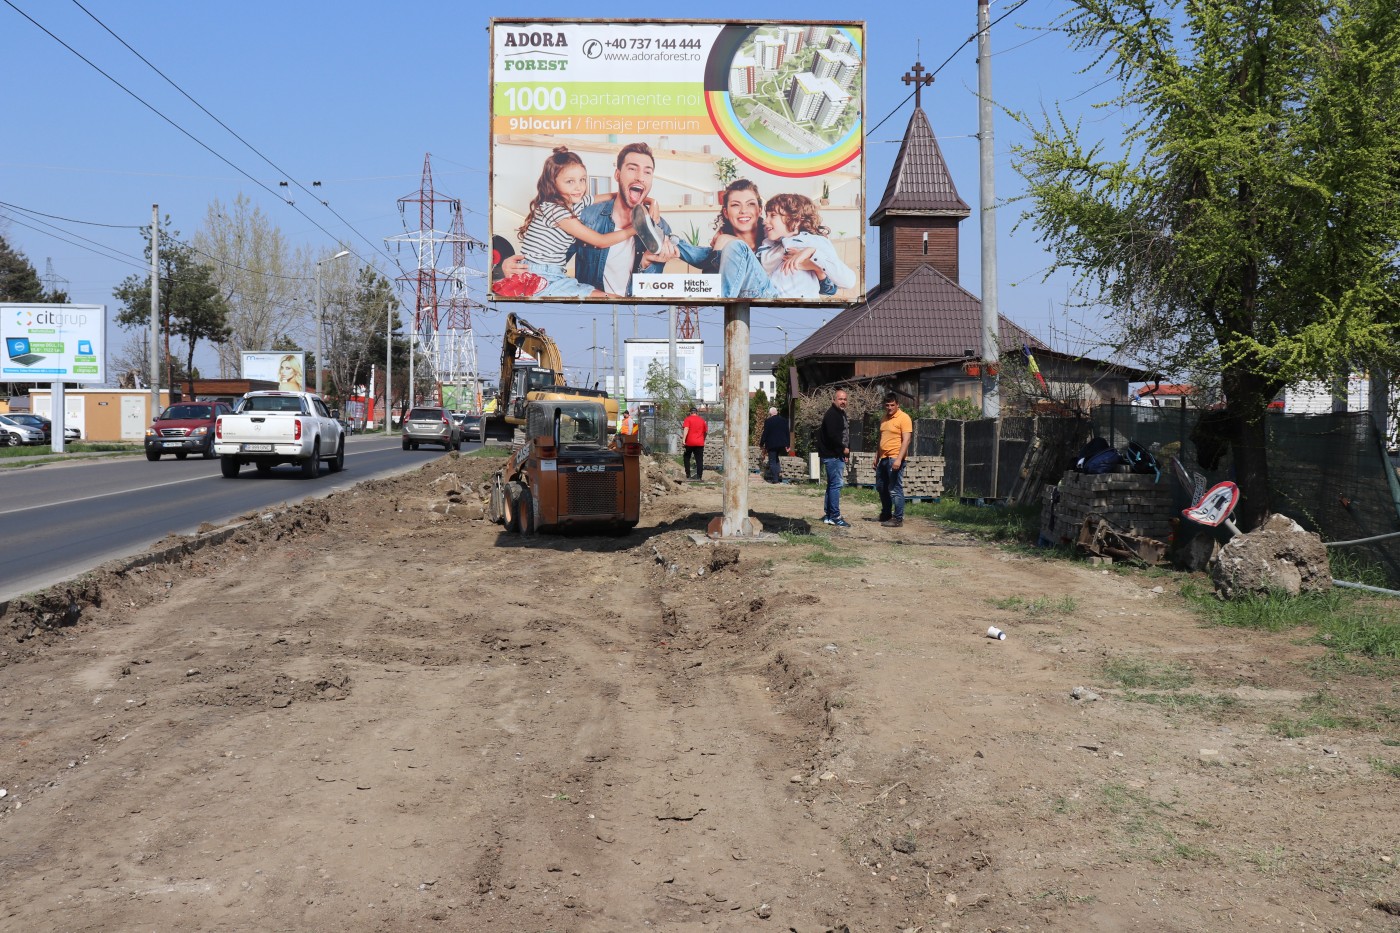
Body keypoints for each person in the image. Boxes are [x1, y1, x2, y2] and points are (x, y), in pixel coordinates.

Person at [508, 147, 644, 298]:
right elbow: (601, 241)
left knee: (611, 299)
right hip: (538, 276)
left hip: (554, 274)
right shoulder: (555, 211)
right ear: (552, 183)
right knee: (611, 299)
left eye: (582, 179)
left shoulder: (576, 202)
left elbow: (614, 195)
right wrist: (637, 228)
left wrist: (650, 202)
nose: (579, 187)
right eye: (570, 181)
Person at [570, 143, 678, 297]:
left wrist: (645, 266)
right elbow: (551, 270)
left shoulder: (660, 227)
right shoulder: (587, 217)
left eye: (647, 172)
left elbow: (649, 292)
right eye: (632, 169)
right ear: (617, 175)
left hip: (634, 310)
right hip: (593, 309)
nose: (640, 177)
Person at [759, 193, 857, 299]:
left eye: (773, 215)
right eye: (766, 215)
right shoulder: (767, 245)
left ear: (796, 220)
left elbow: (848, 282)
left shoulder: (815, 242)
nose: (765, 221)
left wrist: (811, 252)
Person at [874, 392, 913, 527]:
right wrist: (876, 457)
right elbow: (881, 439)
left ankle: (898, 518)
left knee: (895, 488)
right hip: (883, 458)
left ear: (897, 405)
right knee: (881, 487)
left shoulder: (904, 418)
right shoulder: (884, 418)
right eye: (887, 405)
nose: (889, 408)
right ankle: (886, 514)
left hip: (895, 458)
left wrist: (899, 459)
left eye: (892, 405)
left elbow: (907, 440)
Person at [816, 389, 850, 526]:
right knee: (836, 485)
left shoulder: (840, 414)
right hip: (832, 455)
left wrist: (845, 453)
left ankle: (829, 515)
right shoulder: (832, 415)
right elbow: (833, 436)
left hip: (836, 454)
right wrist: (843, 449)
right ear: (834, 400)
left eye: (845, 399)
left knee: (832, 485)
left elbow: (844, 434)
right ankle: (835, 516)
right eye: (840, 399)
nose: (843, 401)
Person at [758, 406, 790, 483]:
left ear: (770, 413)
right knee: (776, 459)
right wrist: (788, 444)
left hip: (771, 444)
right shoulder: (784, 420)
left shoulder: (768, 421)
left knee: (772, 461)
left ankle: (775, 479)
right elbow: (787, 433)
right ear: (777, 412)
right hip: (781, 444)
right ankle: (778, 476)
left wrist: (761, 443)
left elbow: (765, 433)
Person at [681, 406, 708, 480]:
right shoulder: (702, 420)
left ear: (690, 413)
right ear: (697, 413)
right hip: (700, 443)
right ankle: (699, 477)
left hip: (689, 443)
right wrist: (703, 439)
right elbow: (706, 432)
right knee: (699, 460)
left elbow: (686, 429)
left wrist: (683, 440)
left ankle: (688, 475)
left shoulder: (688, 419)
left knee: (686, 457)